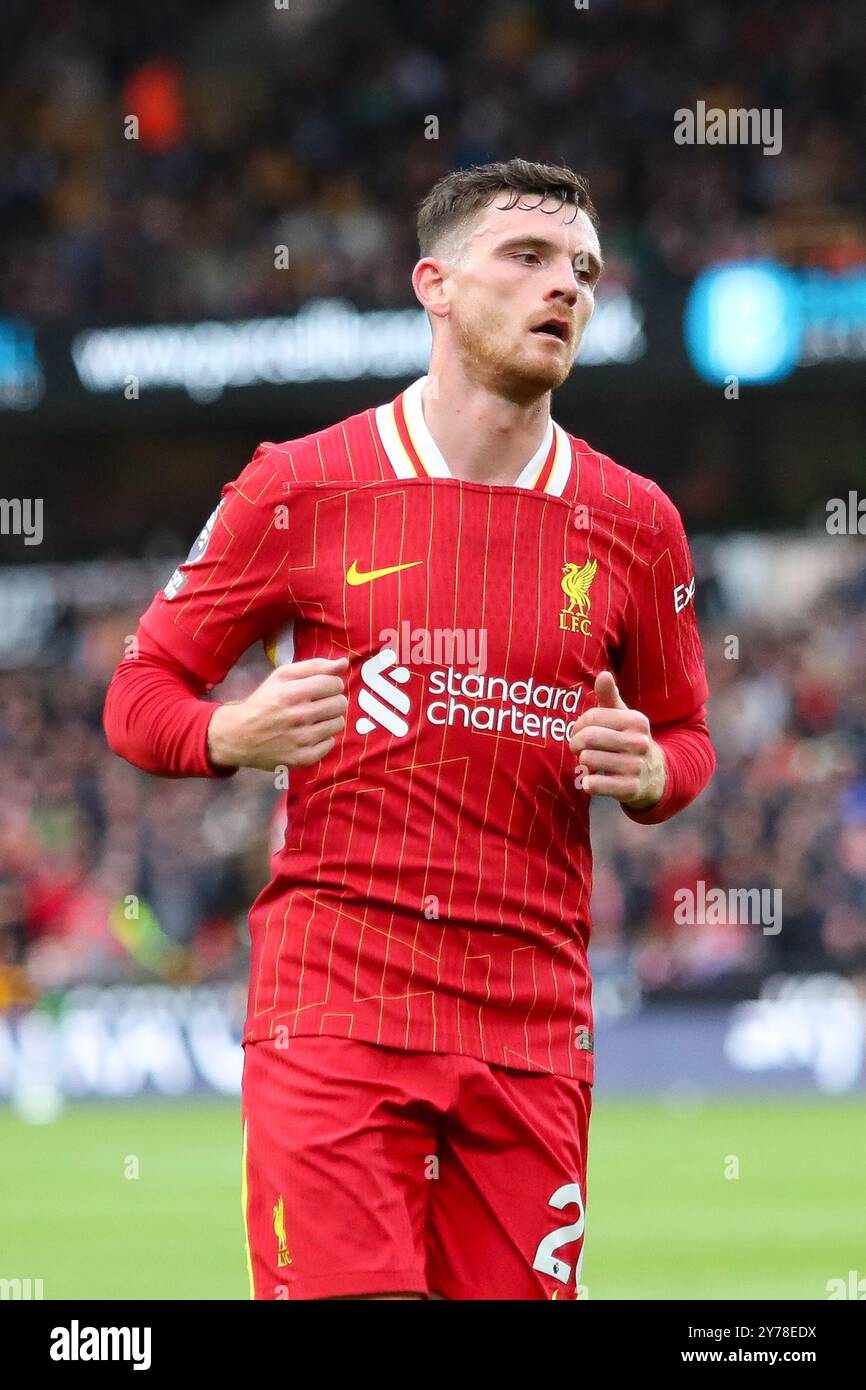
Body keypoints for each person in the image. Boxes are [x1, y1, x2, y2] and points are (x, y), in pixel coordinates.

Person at [104, 158, 715, 1301]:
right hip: (337, 1002)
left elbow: (685, 736)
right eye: (526, 259)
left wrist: (649, 770)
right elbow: (138, 696)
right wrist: (230, 732)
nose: (563, 289)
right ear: (433, 284)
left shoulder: (636, 522)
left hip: (530, 1024)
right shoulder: (300, 484)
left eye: (581, 269)